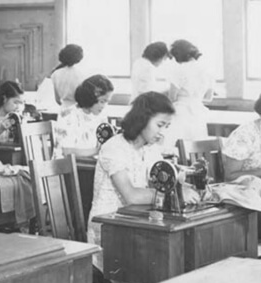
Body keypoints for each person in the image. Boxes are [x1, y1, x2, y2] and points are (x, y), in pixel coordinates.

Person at [87, 92, 200, 268]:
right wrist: (177, 195)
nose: (162, 133)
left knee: (183, 253)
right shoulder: (114, 148)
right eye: (160, 125)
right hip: (108, 228)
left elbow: (159, 182)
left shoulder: (150, 148)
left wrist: (180, 182)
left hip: (136, 221)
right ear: (142, 119)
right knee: (165, 261)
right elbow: (131, 196)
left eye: (167, 127)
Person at [165, 39, 215, 148]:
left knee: (175, 146)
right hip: (198, 113)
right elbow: (208, 98)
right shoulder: (208, 70)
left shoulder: (179, 70)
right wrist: (194, 99)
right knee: (196, 147)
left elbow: (172, 98)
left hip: (181, 112)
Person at [53, 74, 114, 159]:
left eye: (107, 102)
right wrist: (97, 151)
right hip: (67, 167)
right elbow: (67, 152)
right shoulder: (68, 115)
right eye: (102, 101)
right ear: (90, 97)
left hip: (87, 165)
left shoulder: (100, 117)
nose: (104, 106)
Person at [50, 44, 87, 113]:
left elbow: (57, 99)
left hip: (63, 109)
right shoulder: (82, 74)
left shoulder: (55, 74)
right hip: (78, 110)